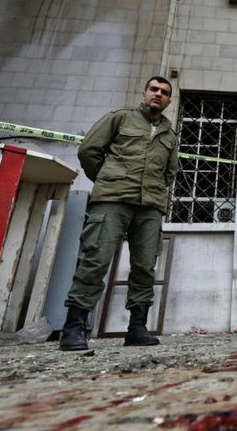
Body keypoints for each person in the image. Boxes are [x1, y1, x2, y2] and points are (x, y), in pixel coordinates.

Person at [60, 76, 178, 351]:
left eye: (164, 92)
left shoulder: (170, 135)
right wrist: (107, 179)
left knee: (145, 266)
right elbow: (89, 150)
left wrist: (154, 191)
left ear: (169, 100)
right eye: (154, 89)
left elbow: (169, 173)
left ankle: (137, 327)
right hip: (112, 200)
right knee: (96, 260)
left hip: (149, 206)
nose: (158, 94)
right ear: (144, 93)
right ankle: (74, 327)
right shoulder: (120, 119)